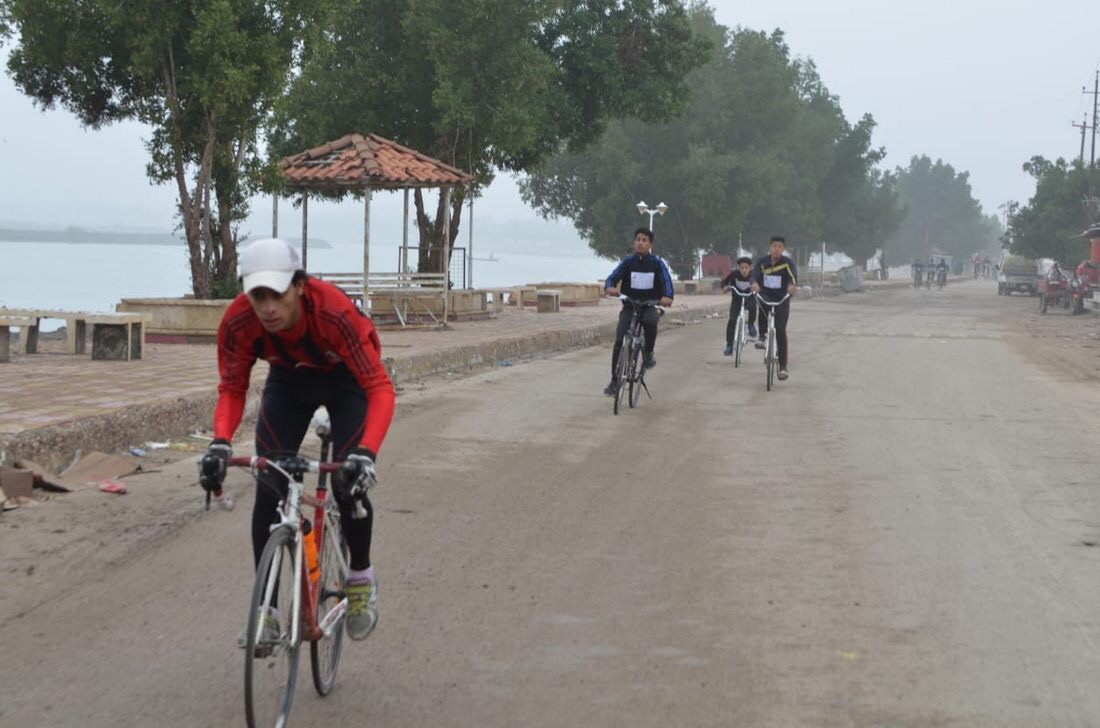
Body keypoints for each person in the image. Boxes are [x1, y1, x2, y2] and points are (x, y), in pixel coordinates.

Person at [198, 237, 395, 641]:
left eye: (278, 294)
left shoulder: (334, 313)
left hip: (348, 383)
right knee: (270, 482)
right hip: (288, 382)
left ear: (300, 286)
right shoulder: (239, 321)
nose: (268, 307)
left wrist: (366, 454)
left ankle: (360, 579)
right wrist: (220, 442)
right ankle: (266, 608)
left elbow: (379, 388)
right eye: (258, 295)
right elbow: (232, 388)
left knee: (347, 483)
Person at [602, 227, 674, 396]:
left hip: (649, 305)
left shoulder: (657, 263)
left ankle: (648, 352)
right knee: (620, 340)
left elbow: (666, 281)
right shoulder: (628, 262)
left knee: (651, 322)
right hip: (630, 305)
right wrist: (609, 287)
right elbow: (613, 277)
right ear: (634, 242)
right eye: (638, 240)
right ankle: (614, 381)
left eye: (644, 240)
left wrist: (668, 296)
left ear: (650, 244)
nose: (640, 243)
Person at [751, 236, 798, 380]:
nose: (777, 249)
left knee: (780, 331)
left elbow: (793, 277)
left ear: (783, 249)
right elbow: (754, 276)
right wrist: (754, 284)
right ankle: (762, 336)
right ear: (770, 247)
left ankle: (783, 367)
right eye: (774, 246)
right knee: (761, 304)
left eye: (780, 246)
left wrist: (791, 286)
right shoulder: (762, 262)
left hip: (782, 299)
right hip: (766, 295)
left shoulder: (787, 263)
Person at [720, 256, 757, 355]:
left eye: (746, 267)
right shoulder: (734, 274)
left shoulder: (753, 276)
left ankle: (750, 324)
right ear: (738, 268)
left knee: (753, 307)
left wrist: (757, 288)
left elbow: (759, 284)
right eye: (742, 267)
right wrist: (725, 287)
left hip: (749, 298)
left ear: (750, 268)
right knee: (732, 320)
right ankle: (729, 346)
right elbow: (724, 282)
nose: (744, 270)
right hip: (737, 300)